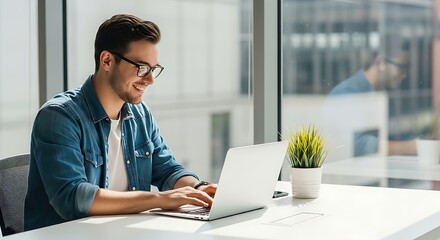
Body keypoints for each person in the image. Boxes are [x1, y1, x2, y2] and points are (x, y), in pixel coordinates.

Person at [24, 14, 217, 231]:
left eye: (153, 69)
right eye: (142, 67)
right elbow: (72, 197)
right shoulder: (59, 116)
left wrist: (200, 188)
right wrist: (159, 199)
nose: (150, 80)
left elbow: (167, 169)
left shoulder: (140, 114)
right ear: (107, 60)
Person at [327, 43, 417, 156]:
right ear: (380, 62)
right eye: (401, 67)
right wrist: (413, 147)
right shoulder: (346, 93)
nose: (404, 75)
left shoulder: (379, 94)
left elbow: (391, 134)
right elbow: (359, 146)